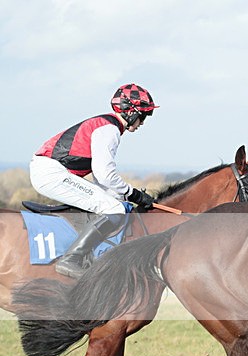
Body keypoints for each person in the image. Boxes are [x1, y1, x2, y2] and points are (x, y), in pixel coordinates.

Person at [29, 83, 158, 278]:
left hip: (51, 171)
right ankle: (71, 259)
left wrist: (124, 196)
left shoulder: (106, 126)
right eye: (143, 116)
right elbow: (105, 174)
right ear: (131, 112)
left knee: (113, 204)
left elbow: (101, 180)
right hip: (51, 173)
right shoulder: (109, 130)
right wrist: (135, 194)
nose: (142, 123)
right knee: (114, 209)